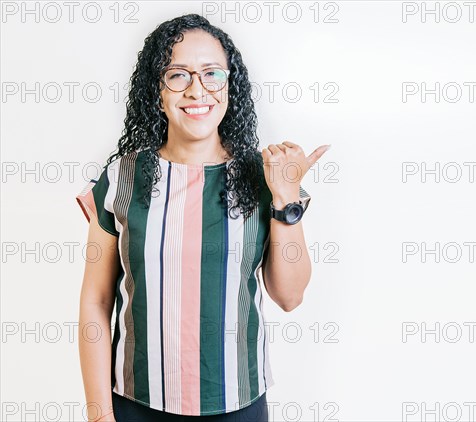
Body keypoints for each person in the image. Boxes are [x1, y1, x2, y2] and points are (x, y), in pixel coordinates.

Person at [75, 14, 330, 422]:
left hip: (239, 406)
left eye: (212, 73)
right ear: (156, 90)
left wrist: (285, 198)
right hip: (136, 406)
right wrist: (100, 416)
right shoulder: (121, 178)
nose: (198, 90)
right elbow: (96, 301)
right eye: (178, 75)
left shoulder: (263, 178)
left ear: (230, 85)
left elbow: (289, 296)